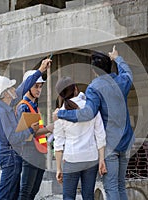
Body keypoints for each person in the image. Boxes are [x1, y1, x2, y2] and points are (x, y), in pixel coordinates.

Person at [54, 46, 134, 200]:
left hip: (110, 143)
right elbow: (128, 73)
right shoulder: (121, 81)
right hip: (126, 140)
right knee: (120, 185)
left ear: (94, 71)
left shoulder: (94, 88)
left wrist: (61, 113)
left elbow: (88, 114)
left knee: (111, 188)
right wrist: (117, 58)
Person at [0, 58, 51, 200]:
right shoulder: (1, 112)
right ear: (4, 93)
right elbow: (13, 138)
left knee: (12, 194)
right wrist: (31, 129)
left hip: (12, 155)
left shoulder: (4, 104)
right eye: (11, 88)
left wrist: (40, 69)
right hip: (10, 155)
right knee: (6, 195)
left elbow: (24, 86)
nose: (14, 90)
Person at [53, 76, 107, 200]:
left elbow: (59, 144)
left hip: (72, 159)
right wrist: (101, 159)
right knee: (88, 196)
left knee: (68, 197)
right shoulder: (91, 107)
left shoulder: (59, 114)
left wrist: (58, 168)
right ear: (76, 89)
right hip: (91, 157)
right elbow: (100, 135)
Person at [17, 70, 53, 200]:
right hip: (30, 152)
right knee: (26, 191)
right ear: (28, 86)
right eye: (36, 86)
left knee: (33, 191)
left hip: (39, 152)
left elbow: (37, 131)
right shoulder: (24, 106)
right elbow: (28, 133)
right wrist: (50, 128)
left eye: (40, 86)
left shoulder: (33, 106)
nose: (39, 89)